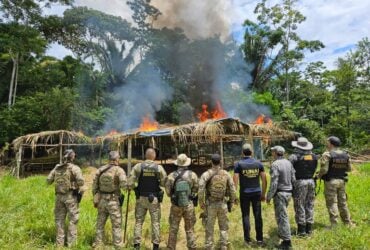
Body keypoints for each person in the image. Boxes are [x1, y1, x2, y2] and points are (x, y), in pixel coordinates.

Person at [128, 148, 167, 250]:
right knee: (155, 222)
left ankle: (136, 245)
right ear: (154, 156)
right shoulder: (158, 168)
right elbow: (164, 183)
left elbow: (130, 183)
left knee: (139, 222)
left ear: (146, 156)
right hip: (154, 199)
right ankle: (155, 245)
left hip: (141, 198)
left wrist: (134, 188)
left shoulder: (138, 166)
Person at [47, 149, 84, 247]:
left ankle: (59, 244)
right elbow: (81, 182)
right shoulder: (75, 168)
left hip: (59, 197)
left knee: (59, 220)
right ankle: (71, 245)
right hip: (71, 197)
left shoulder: (57, 168)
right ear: (72, 157)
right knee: (73, 220)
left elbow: (48, 180)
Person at [198, 154, 236, 250]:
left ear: (211, 162)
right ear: (221, 162)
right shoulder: (226, 174)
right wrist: (231, 202)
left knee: (209, 227)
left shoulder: (206, 174)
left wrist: (201, 202)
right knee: (223, 226)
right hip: (223, 203)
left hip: (210, 204)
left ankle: (209, 246)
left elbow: (201, 189)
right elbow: (232, 189)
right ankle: (224, 245)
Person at [233, 143, 267, 246]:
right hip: (257, 193)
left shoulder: (238, 164)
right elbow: (264, 179)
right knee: (258, 215)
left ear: (242, 152)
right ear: (251, 152)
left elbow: (235, 181)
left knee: (246, 215)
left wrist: (234, 196)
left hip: (244, 193)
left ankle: (247, 240)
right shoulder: (258, 163)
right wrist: (263, 193)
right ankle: (260, 240)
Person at [92, 151, 127, 249]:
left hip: (102, 201)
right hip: (114, 202)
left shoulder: (100, 170)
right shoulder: (119, 170)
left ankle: (98, 244)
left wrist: (95, 198)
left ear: (109, 159)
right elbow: (124, 186)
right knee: (116, 224)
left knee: (100, 224)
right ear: (117, 159)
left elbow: (94, 187)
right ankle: (117, 245)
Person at [317, 136, 353, 227]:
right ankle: (347, 223)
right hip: (341, 181)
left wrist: (318, 176)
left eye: (327, 142)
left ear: (331, 144)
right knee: (343, 203)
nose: (326, 143)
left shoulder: (327, 154)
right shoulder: (346, 154)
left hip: (331, 182)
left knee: (332, 203)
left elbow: (324, 170)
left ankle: (334, 225)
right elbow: (349, 169)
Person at [165, 154, 199, 250]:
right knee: (190, 228)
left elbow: (168, 192)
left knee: (173, 228)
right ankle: (192, 247)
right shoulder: (192, 175)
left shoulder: (171, 176)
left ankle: (171, 247)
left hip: (176, 205)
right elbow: (196, 189)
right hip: (188, 204)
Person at [266, 146, 295, 250]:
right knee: (282, 215)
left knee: (282, 217)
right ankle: (283, 234)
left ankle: (287, 242)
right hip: (288, 193)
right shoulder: (289, 163)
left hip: (280, 194)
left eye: (272, 151)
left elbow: (274, 182)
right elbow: (293, 178)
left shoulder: (275, 164)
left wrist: (269, 196)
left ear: (276, 153)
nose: (272, 153)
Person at [289, 137, 318, 236]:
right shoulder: (314, 156)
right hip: (311, 181)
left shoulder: (294, 157)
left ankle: (301, 230)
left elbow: (290, 171)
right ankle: (309, 229)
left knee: (299, 205)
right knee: (310, 204)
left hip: (299, 182)